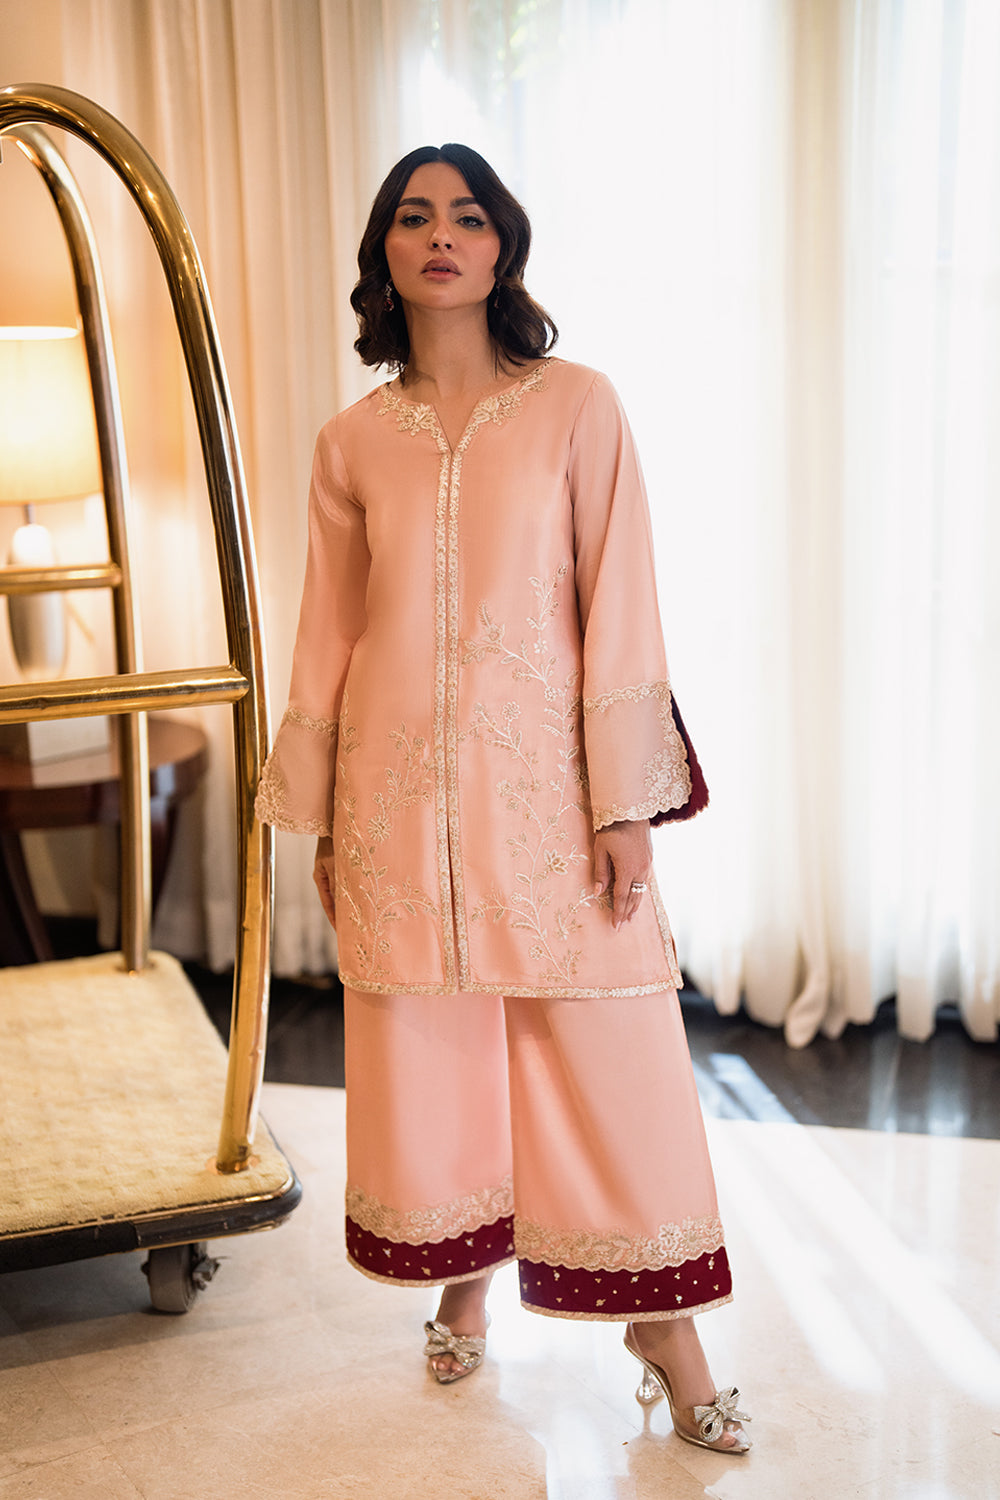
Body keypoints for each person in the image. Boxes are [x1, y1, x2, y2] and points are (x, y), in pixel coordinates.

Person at [255, 143, 751, 1455]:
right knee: (436, 1044)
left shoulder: (576, 405)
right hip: (397, 800)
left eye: (468, 216)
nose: (442, 235)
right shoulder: (353, 440)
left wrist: (624, 800)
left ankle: (667, 1332)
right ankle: (465, 1280)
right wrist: (325, 811)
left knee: (605, 1056)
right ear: (385, 251)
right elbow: (329, 633)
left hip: (550, 796)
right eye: (415, 216)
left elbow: (619, 601)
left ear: (502, 246)